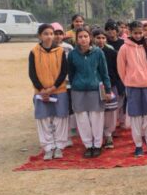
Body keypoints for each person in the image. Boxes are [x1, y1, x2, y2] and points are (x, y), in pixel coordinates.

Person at [67, 27, 113, 158]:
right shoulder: (72, 54)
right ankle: (88, 145)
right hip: (78, 90)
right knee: (82, 119)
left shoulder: (98, 52)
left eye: (85, 36)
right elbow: (71, 73)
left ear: (90, 38)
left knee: (96, 118)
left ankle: (97, 145)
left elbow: (104, 73)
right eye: (80, 37)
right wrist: (76, 83)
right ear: (76, 39)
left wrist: (108, 90)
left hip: (95, 90)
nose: (83, 39)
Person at [117, 21, 147, 157]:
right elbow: (121, 69)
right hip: (133, 87)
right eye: (135, 33)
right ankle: (138, 145)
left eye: (140, 33)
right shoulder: (124, 48)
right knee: (136, 117)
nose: (138, 35)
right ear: (129, 32)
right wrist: (128, 81)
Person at [28, 23, 69, 160]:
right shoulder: (34, 52)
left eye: (51, 34)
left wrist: (53, 88)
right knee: (44, 119)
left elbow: (64, 72)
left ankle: (59, 147)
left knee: (60, 119)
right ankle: (48, 147)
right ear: (40, 35)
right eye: (46, 34)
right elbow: (32, 73)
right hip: (41, 92)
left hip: (59, 90)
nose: (49, 36)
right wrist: (42, 90)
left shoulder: (60, 51)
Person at [93, 28, 122, 149]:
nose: (100, 40)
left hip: (110, 86)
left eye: (103, 38)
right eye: (98, 38)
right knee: (97, 112)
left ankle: (109, 134)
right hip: (94, 87)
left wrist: (112, 84)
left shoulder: (112, 53)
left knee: (110, 112)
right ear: (93, 38)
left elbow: (117, 70)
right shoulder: (89, 53)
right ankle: (97, 137)